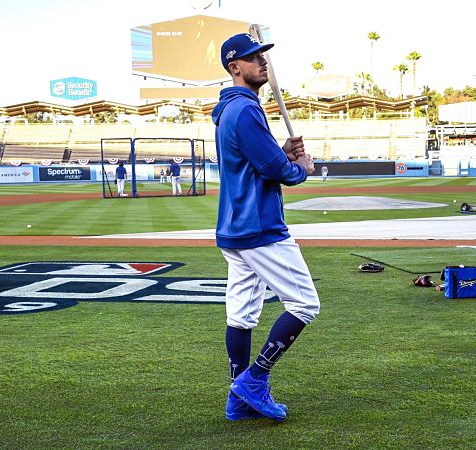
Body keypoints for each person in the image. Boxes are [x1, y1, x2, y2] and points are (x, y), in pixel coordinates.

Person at [212, 32, 319, 423]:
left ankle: (237, 399)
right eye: (253, 57)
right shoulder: (246, 110)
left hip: (234, 228)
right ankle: (254, 380)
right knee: (305, 304)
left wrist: (282, 153)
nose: (263, 62)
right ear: (234, 67)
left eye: (264, 56)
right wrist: (300, 168)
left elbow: (257, 160)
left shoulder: (229, 111)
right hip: (260, 228)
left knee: (241, 315)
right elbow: (277, 171)